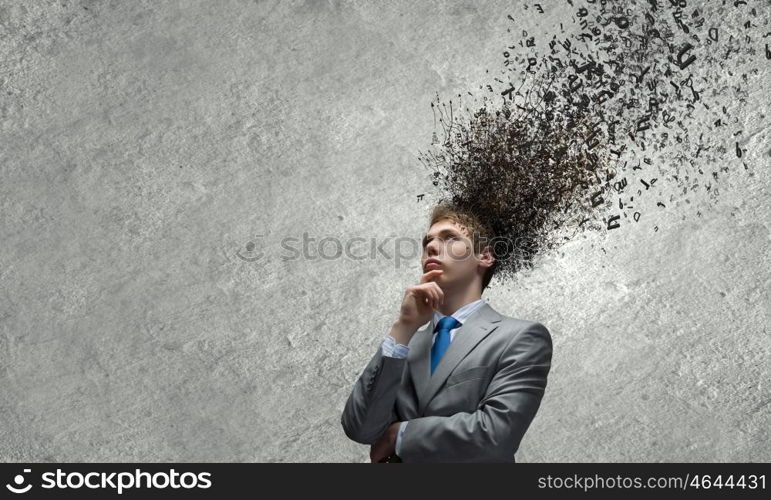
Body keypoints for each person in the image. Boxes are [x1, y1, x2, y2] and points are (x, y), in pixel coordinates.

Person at [340, 202, 554, 462]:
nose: (430, 246)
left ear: (484, 256)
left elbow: (496, 436)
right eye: (428, 241)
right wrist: (404, 327)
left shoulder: (519, 337)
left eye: (449, 238)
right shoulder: (402, 347)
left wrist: (400, 436)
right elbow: (360, 428)